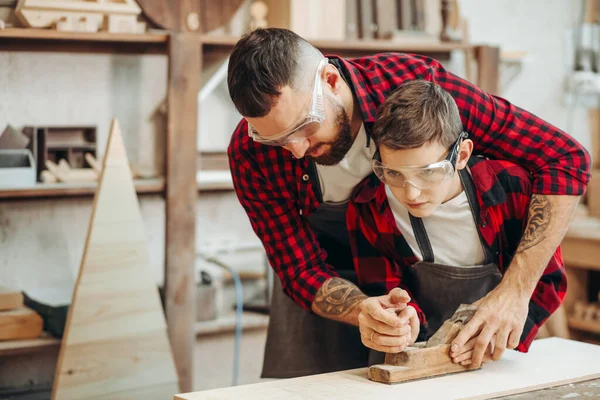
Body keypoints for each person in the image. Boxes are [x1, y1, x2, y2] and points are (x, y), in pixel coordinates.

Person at [226, 28, 589, 377]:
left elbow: (563, 158)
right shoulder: (249, 152)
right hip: (325, 298)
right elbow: (299, 269)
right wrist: (362, 310)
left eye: (304, 126)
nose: (296, 150)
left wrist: (514, 293)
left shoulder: (413, 88)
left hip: (404, 281)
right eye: (275, 140)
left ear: (331, 81)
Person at [346, 79, 565, 365]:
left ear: (461, 155)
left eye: (427, 173)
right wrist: (402, 322)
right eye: (394, 173)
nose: (410, 193)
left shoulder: (513, 188)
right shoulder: (370, 207)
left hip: (497, 359)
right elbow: (385, 291)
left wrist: (501, 333)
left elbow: (548, 281)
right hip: (414, 363)